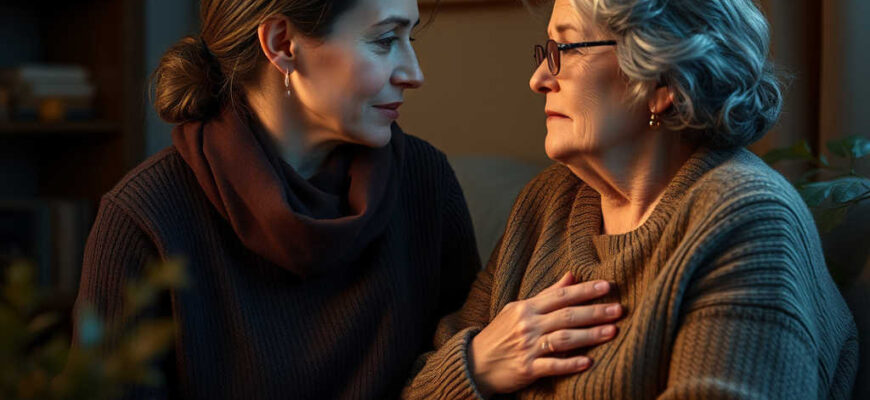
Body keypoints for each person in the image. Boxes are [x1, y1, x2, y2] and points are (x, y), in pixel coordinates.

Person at [72, 0, 621, 398]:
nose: (414, 74)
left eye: (410, 39)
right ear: (282, 44)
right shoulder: (146, 217)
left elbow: (451, 370)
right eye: (384, 40)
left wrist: (472, 367)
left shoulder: (424, 183)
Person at [403, 0, 859, 398]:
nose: (539, 78)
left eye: (567, 48)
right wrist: (478, 364)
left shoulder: (748, 220)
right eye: (547, 51)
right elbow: (417, 386)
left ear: (663, 80)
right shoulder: (547, 203)